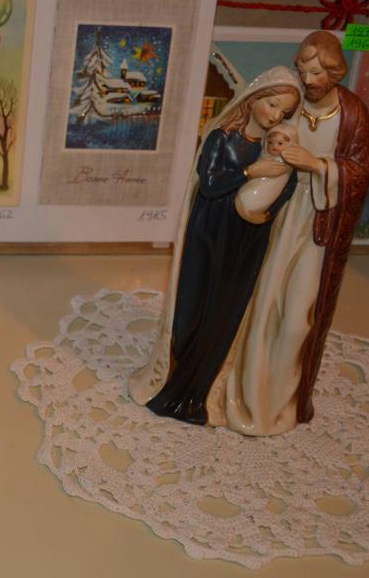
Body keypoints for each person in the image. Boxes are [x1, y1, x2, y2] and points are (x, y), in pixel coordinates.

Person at [214, 31, 369, 435]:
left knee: (298, 319)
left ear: (335, 73)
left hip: (318, 224)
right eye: (303, 70)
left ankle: (278, 402)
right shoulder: (292, 103)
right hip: (279, 213)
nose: (307, 79)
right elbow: (259, 138)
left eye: (316, 73)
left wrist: (318, 165)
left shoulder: (352, 113)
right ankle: (247, 395)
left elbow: (360, 173)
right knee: (261, 306)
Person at [128, 66, 301, 425]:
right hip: (208, 234)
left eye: (283, 112)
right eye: (272, 105)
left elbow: (287, 188)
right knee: (192, 310)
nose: (275, 116)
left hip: (247, 240)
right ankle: (173, 385)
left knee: (226, 313)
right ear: (254, 99)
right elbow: (209, 184)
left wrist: (265, 214)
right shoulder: (222, 138)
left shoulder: (277, 148)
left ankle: (201, 394)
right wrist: (250, 173)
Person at [235, 122, 298, 224]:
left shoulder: (289, 167)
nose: (274, 146)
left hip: (265, 204)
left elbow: (286, 192)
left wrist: (270, 213)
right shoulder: (261, 157)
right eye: (270, 142)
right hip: (246, 195)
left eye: (280, 143)